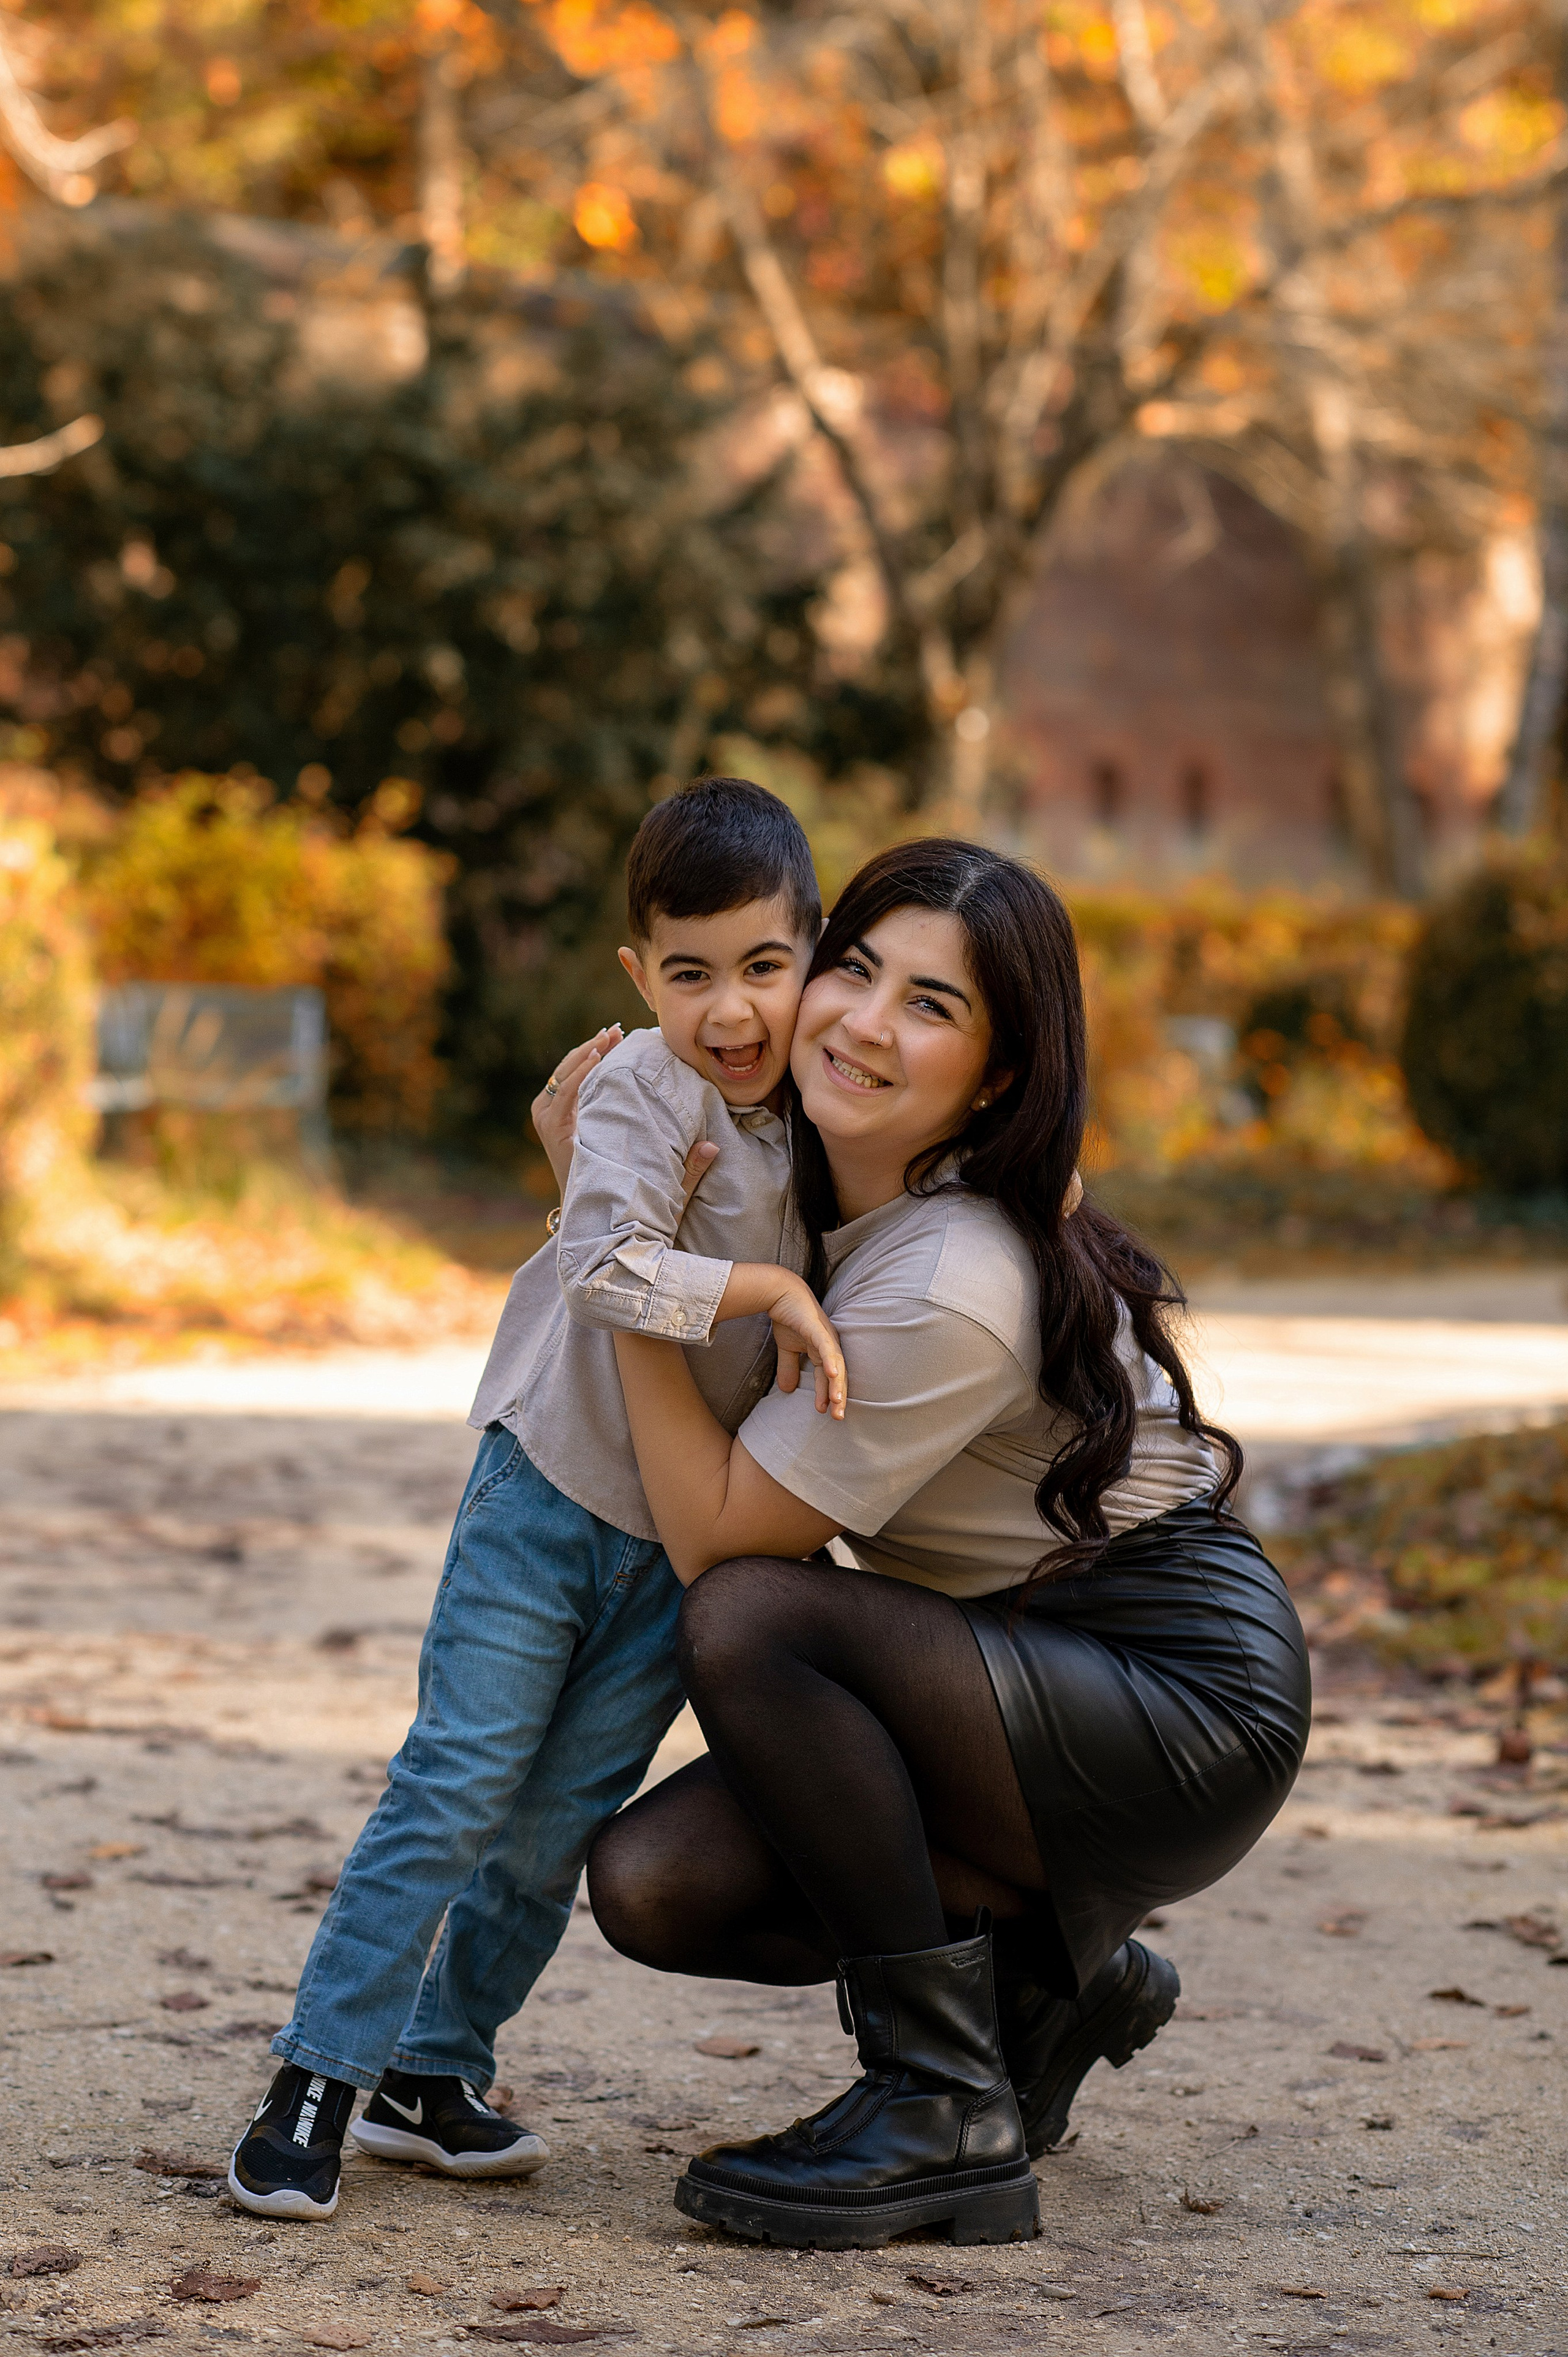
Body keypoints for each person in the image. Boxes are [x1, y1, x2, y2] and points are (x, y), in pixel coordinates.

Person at [586, 837, 1311, 2251]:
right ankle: (1046, 1984)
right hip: (1013, 1660)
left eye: (929, 1004)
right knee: (655, 1883)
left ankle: (938, 2103)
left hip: (1176, 1691)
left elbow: (719, 1542)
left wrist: (626, 1287)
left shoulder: (947, 1273)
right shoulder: (827, 1182)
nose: (862, 1022)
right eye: (852, 969)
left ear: (995, 1073)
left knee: (749, 1613)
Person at [228, 777, 845, 2222]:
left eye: (763, 964)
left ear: (815, 954)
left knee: (553, 1822)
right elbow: (605, 1267)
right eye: (688, 973)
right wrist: (762, 1284)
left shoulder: (825, 1109)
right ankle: (316, 2074)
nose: (730, 1009)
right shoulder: (639, 1088)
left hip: (679, 1540)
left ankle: (434, 2063)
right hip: (547, 1491)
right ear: (639, 976)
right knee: (457, 1779)